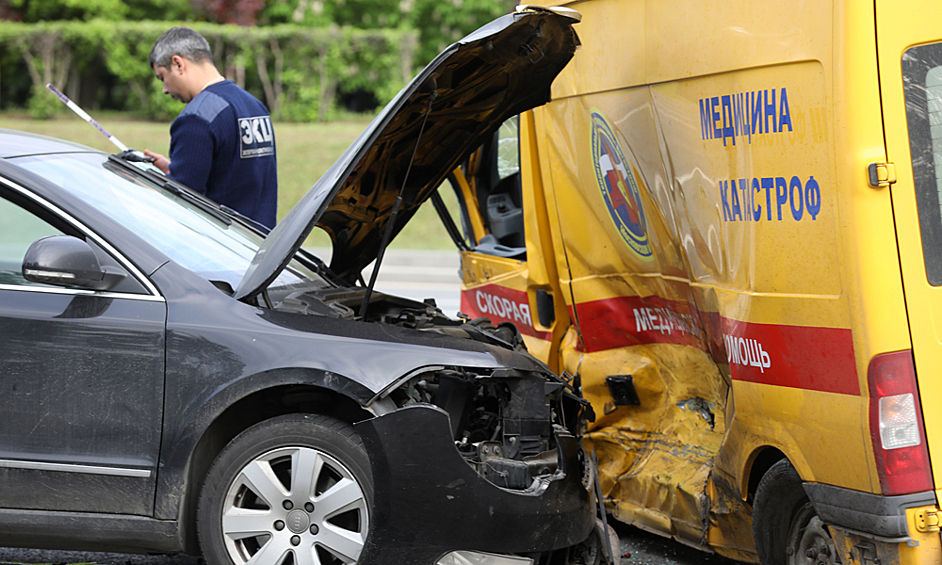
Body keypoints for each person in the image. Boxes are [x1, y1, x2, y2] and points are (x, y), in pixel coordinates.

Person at [144, 27, 278, 229]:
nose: (164, 90)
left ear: (178, 64)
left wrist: (141, 186)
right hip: (262, 246)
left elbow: (180, 200)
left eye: (163, 77)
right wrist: (176, 168)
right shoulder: (255, 106)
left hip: (221, 249)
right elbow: (236, 173)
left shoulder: (196, 118)